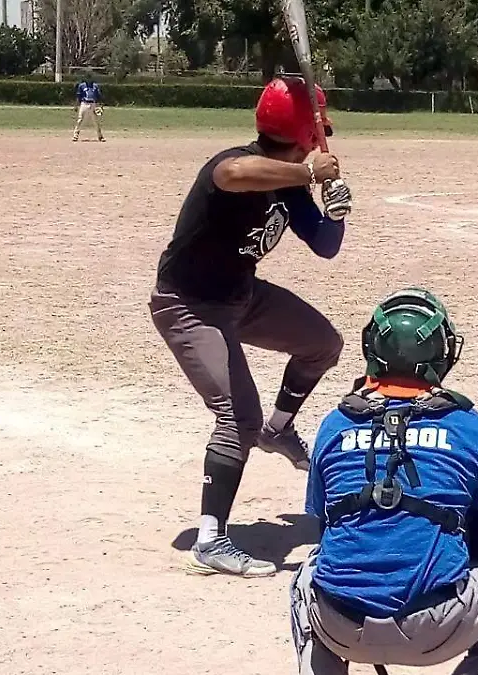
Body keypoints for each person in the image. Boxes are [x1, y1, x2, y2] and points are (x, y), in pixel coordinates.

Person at [150, 77, 354, 578]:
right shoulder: (238, 163)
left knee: (322, 344)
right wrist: (306, 171)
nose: (321, 137)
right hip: (189, 305)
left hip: (241, 296)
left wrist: (337, 211)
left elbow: (325, 245)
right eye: (317, 129)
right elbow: (234, 173)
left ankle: (277, 431)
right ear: (304, 133)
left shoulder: (289, 182)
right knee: (236, 416)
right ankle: (210, 541)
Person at [290, 288, 478, 675]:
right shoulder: (468, 426)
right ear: (441, 355)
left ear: (372, 352)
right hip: (436, 628)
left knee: (307, 575)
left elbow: (325, 533)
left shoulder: (335, 425)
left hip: (339, 624)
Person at [73, 72, 104, 142]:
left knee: (96, 121)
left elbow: (99, 96)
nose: (88, 79)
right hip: (84, 103)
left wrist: (100, 105)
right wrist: (76, 105)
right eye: (87, 77)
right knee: (80, 120)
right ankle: (76, 135)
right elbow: (78, 96)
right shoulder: (81, 86)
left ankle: (100, 136)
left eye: (89, 77)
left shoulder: (95, 86)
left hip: (93, 104)